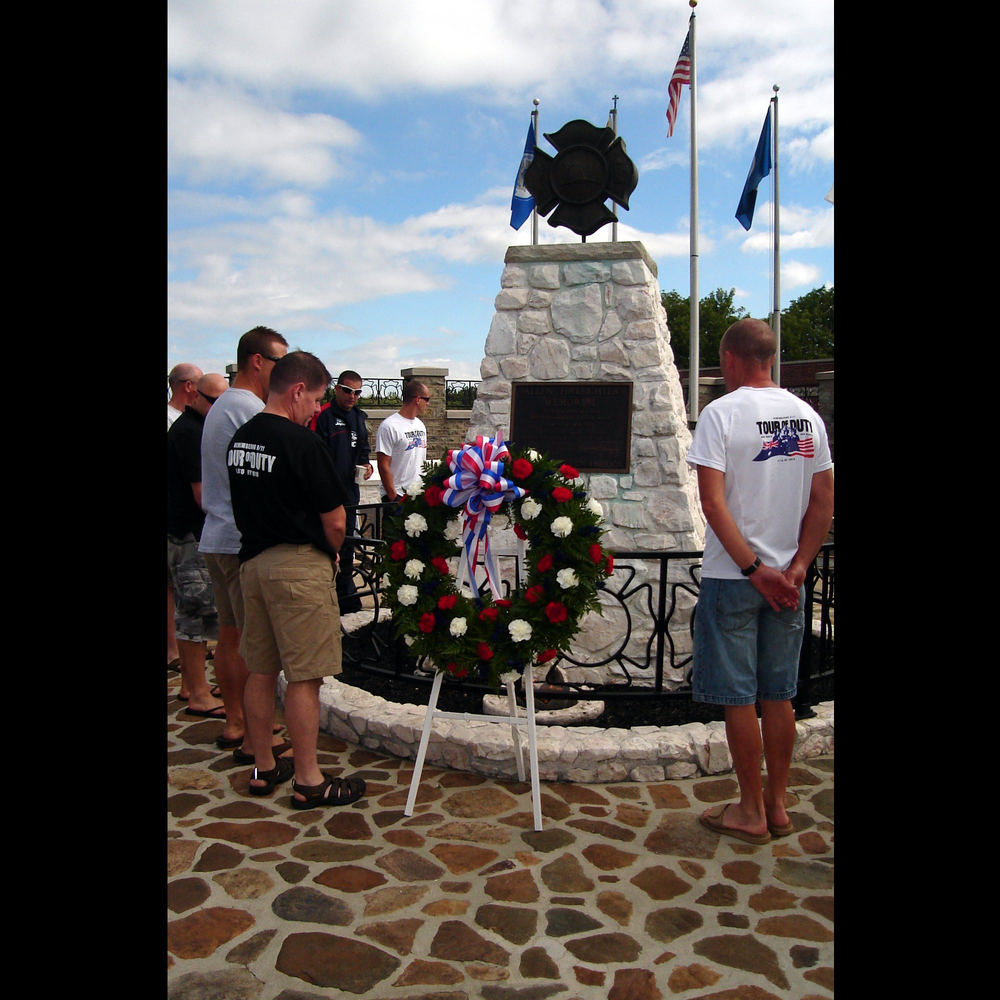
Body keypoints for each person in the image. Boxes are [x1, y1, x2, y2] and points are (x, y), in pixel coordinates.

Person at [687, 319, 834, 844]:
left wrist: (753, 569)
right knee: (779, 695)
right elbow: (822, 504)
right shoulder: (808, 417)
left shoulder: (720, 414)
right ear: (769, 358)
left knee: (739, 698)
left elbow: (712, 503)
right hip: (788, 583)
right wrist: (794, 569)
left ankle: (749, 809)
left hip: (735, 578)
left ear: (728, 359)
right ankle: (777, 805)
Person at [229, 351, 366, 808]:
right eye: (317, 399)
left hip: (253, 564)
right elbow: (334, 520)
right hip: (296, 568)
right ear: (297, 391)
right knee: (306, 677)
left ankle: (263, 765)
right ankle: (309, 779)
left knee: (262, 668)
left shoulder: (241, 439)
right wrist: (331, 553)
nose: (317, 410)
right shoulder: (303, 443)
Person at [199, 326, 290, 759]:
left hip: (216, 535)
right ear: (258, 361)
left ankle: (237, 721)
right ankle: (256, 738)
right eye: (279, 363)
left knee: (230, 637)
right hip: (239, 540)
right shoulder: (249, 409)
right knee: (254, 646)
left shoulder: (223, 406)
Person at [167, 372, 228, 717]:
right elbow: (201, 494)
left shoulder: (192, 429)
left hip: (186, 532)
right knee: (195, 613)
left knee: (195, 612)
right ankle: (198, 693)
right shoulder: (190, 432)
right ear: (196, 397)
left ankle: (193, 685)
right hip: (189, 535)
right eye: (216, 403)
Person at [313, 370, 373, 614]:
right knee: (327, 547)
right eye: (348, 391)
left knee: (347, 545)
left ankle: (345, 595)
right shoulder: (324, 415)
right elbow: (315, 453)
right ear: (337, 389)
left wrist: (366, 465)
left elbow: (364, 449)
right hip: (327, 495)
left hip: (350, 494)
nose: (352, 396)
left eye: (357, 392)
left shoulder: (359, 417)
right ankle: (324, 596)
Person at [168, 362, 204, 670]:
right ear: (189, 388)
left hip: (182, 523)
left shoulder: (187, 423)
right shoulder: (182, 427)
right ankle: (175, 652)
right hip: (182, 524)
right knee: (187, 598)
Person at [374, 380, 430, 502]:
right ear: (418, 399)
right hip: (398, 494)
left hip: (417, 493)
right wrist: (393, 496)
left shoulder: (420, 425)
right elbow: (383, 465)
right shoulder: (389, 426)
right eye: (427, 399)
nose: (428, 404)